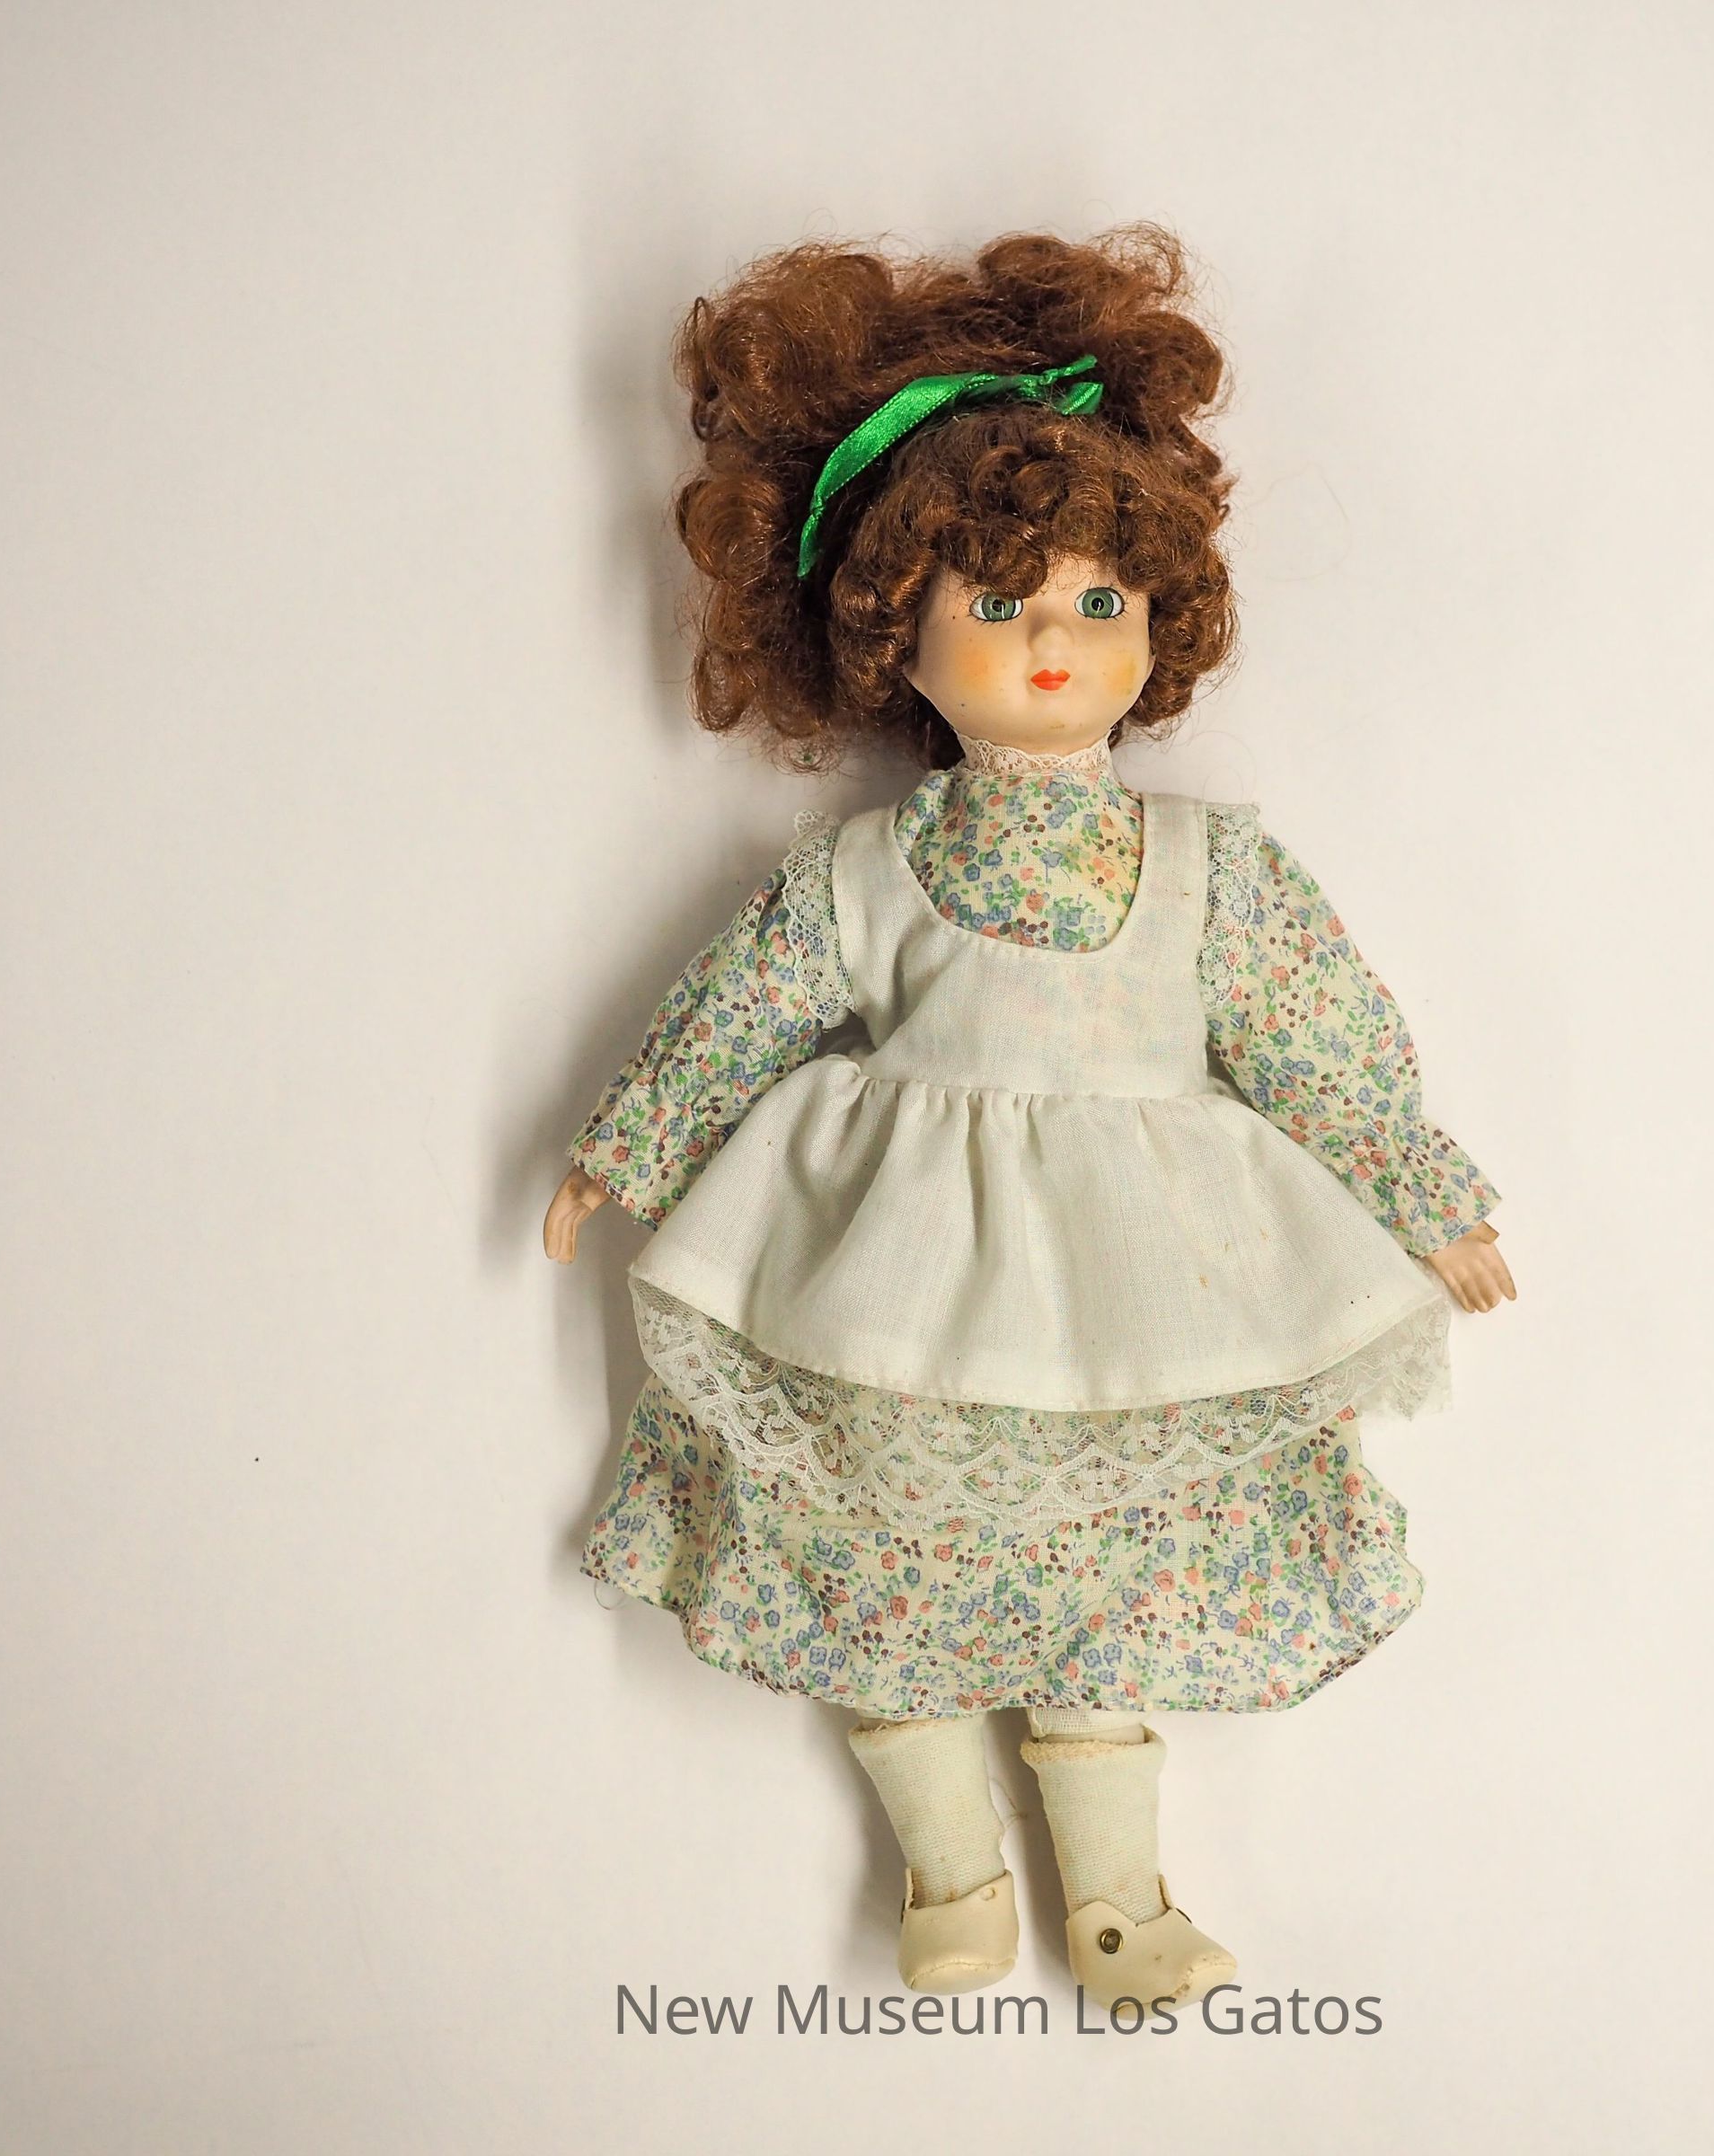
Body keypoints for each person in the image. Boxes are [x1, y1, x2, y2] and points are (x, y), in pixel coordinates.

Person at [543, 225, 1516, 2011]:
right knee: (879, 1561)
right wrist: (632, 1143)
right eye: (996, 610)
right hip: (892, 1284)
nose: (1052, 641)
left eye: (1094, 604)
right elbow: (742, 1002)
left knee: (1111, 1576)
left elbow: (1321, 1043)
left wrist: (1424, 1195)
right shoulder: (865, 872)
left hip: (1146, 1290)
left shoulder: (1210, 871)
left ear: (1161, 625)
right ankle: (951, 1871)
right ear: (894, 640)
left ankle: (1122, 1903)